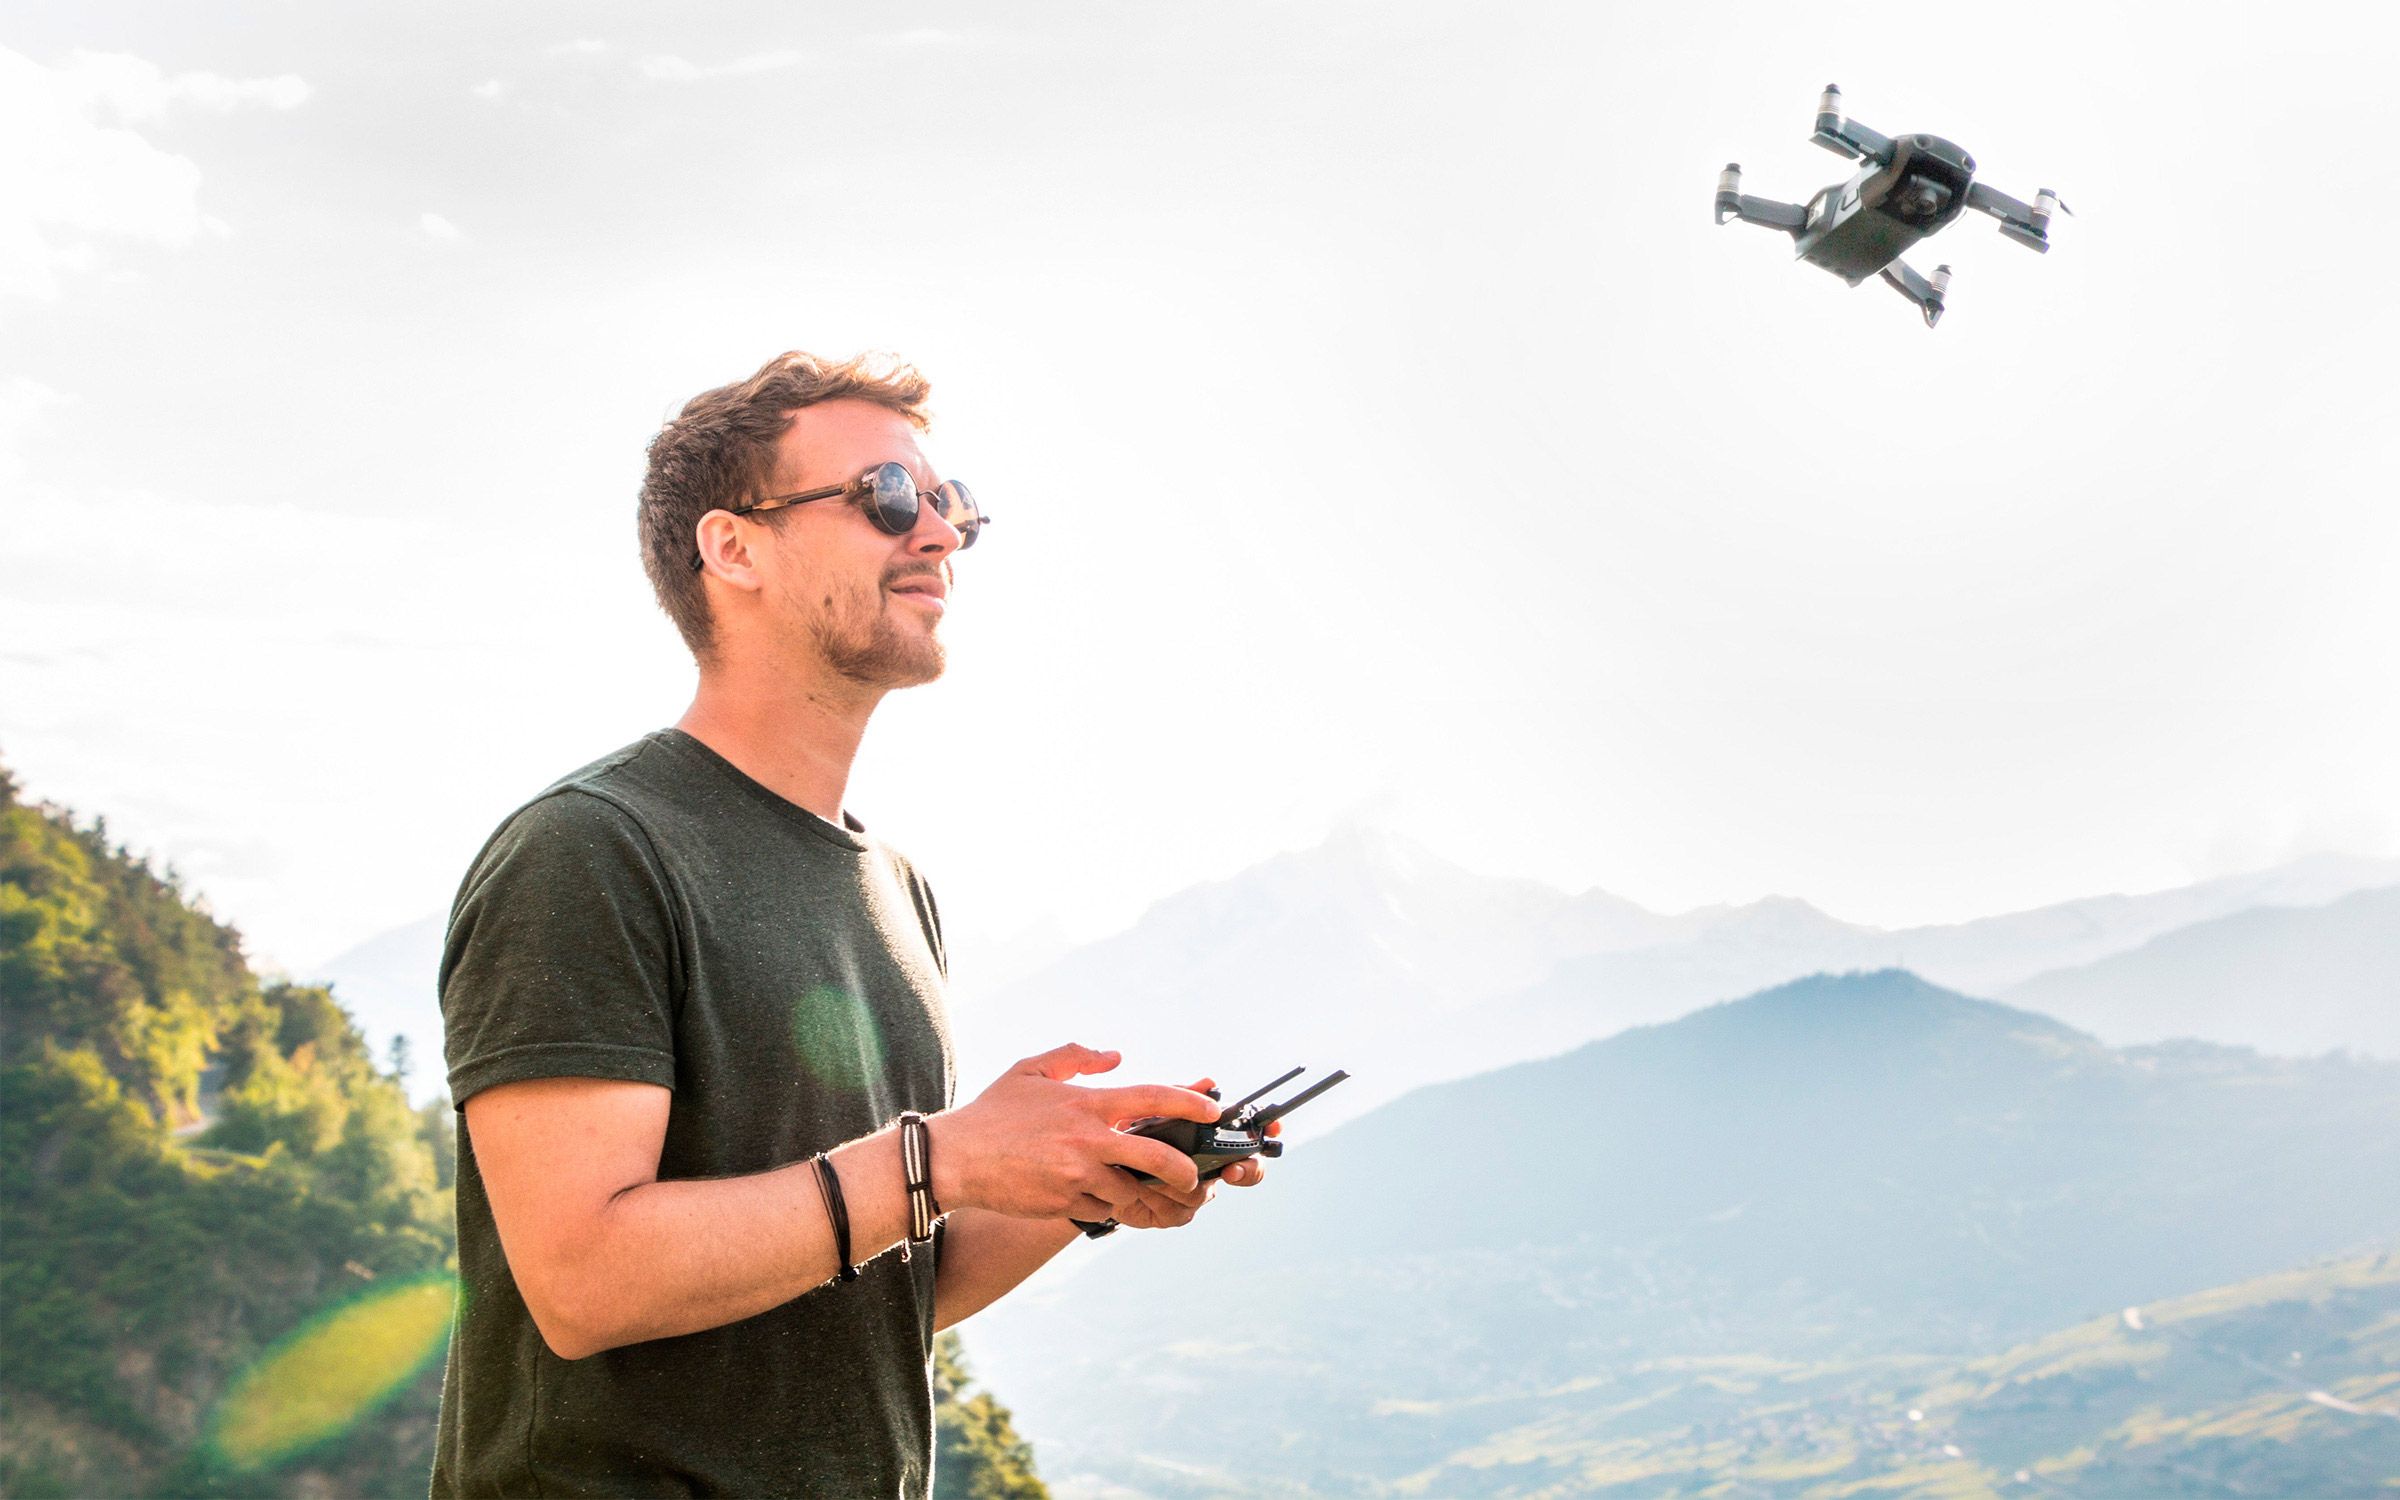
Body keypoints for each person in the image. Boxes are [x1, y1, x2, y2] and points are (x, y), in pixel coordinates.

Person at [431, 351, 1265, 1498]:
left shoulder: (894, 885)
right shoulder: (591, 850)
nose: (940, 533)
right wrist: (944, 1156)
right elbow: (584, 1282)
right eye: (889, 496)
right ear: (735, 548)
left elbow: (878, 1286)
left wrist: (1083, 1182)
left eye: (951, 502)